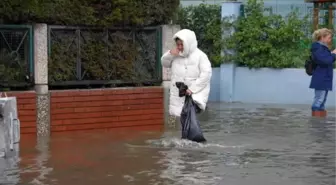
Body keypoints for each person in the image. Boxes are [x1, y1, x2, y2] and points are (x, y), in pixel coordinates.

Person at [161, 29, 212, 117]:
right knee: (184, 121)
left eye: (182, 44)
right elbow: (165, 64)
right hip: (178, 96)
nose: (180, 47)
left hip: (194, 96)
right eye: (178, 44)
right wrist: (170, 54)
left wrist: (192, 89)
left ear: (188, 43)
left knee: (191, 122)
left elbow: (206, 75)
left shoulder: (201, 56)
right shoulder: (175, 54)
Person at [310, 28, 336, 116]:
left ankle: (320, 123)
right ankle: (315, 123)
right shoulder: (317, 48)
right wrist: (333, 54)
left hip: (325, 78)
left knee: (322, 101)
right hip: (321, 78)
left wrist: (332, 54)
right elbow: (326, 60)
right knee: (319, 100)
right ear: (322, 37)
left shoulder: (323, 48)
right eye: (329, 38)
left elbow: (328, 59)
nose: (330, 40)